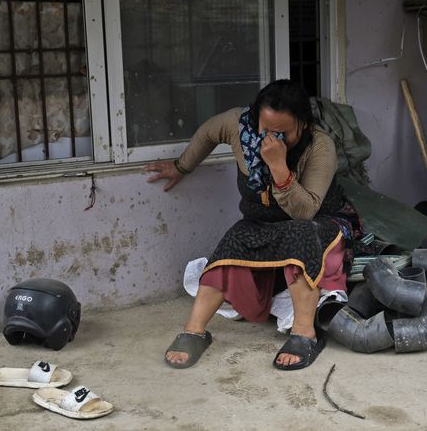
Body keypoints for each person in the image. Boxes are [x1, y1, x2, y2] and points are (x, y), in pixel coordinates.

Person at [145, 80, 358, 371]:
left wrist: (279, 167)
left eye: (283, 133)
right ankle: (194, 330)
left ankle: (305, 333)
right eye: (266, 129)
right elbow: (207, 133)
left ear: (304, 125)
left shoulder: (320, 146)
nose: (272, 138)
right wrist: (181, 167)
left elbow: (305, 211)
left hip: (317, 221)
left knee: (300, 234)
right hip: (262, 221)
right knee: (232, 241)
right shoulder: (237, 125)